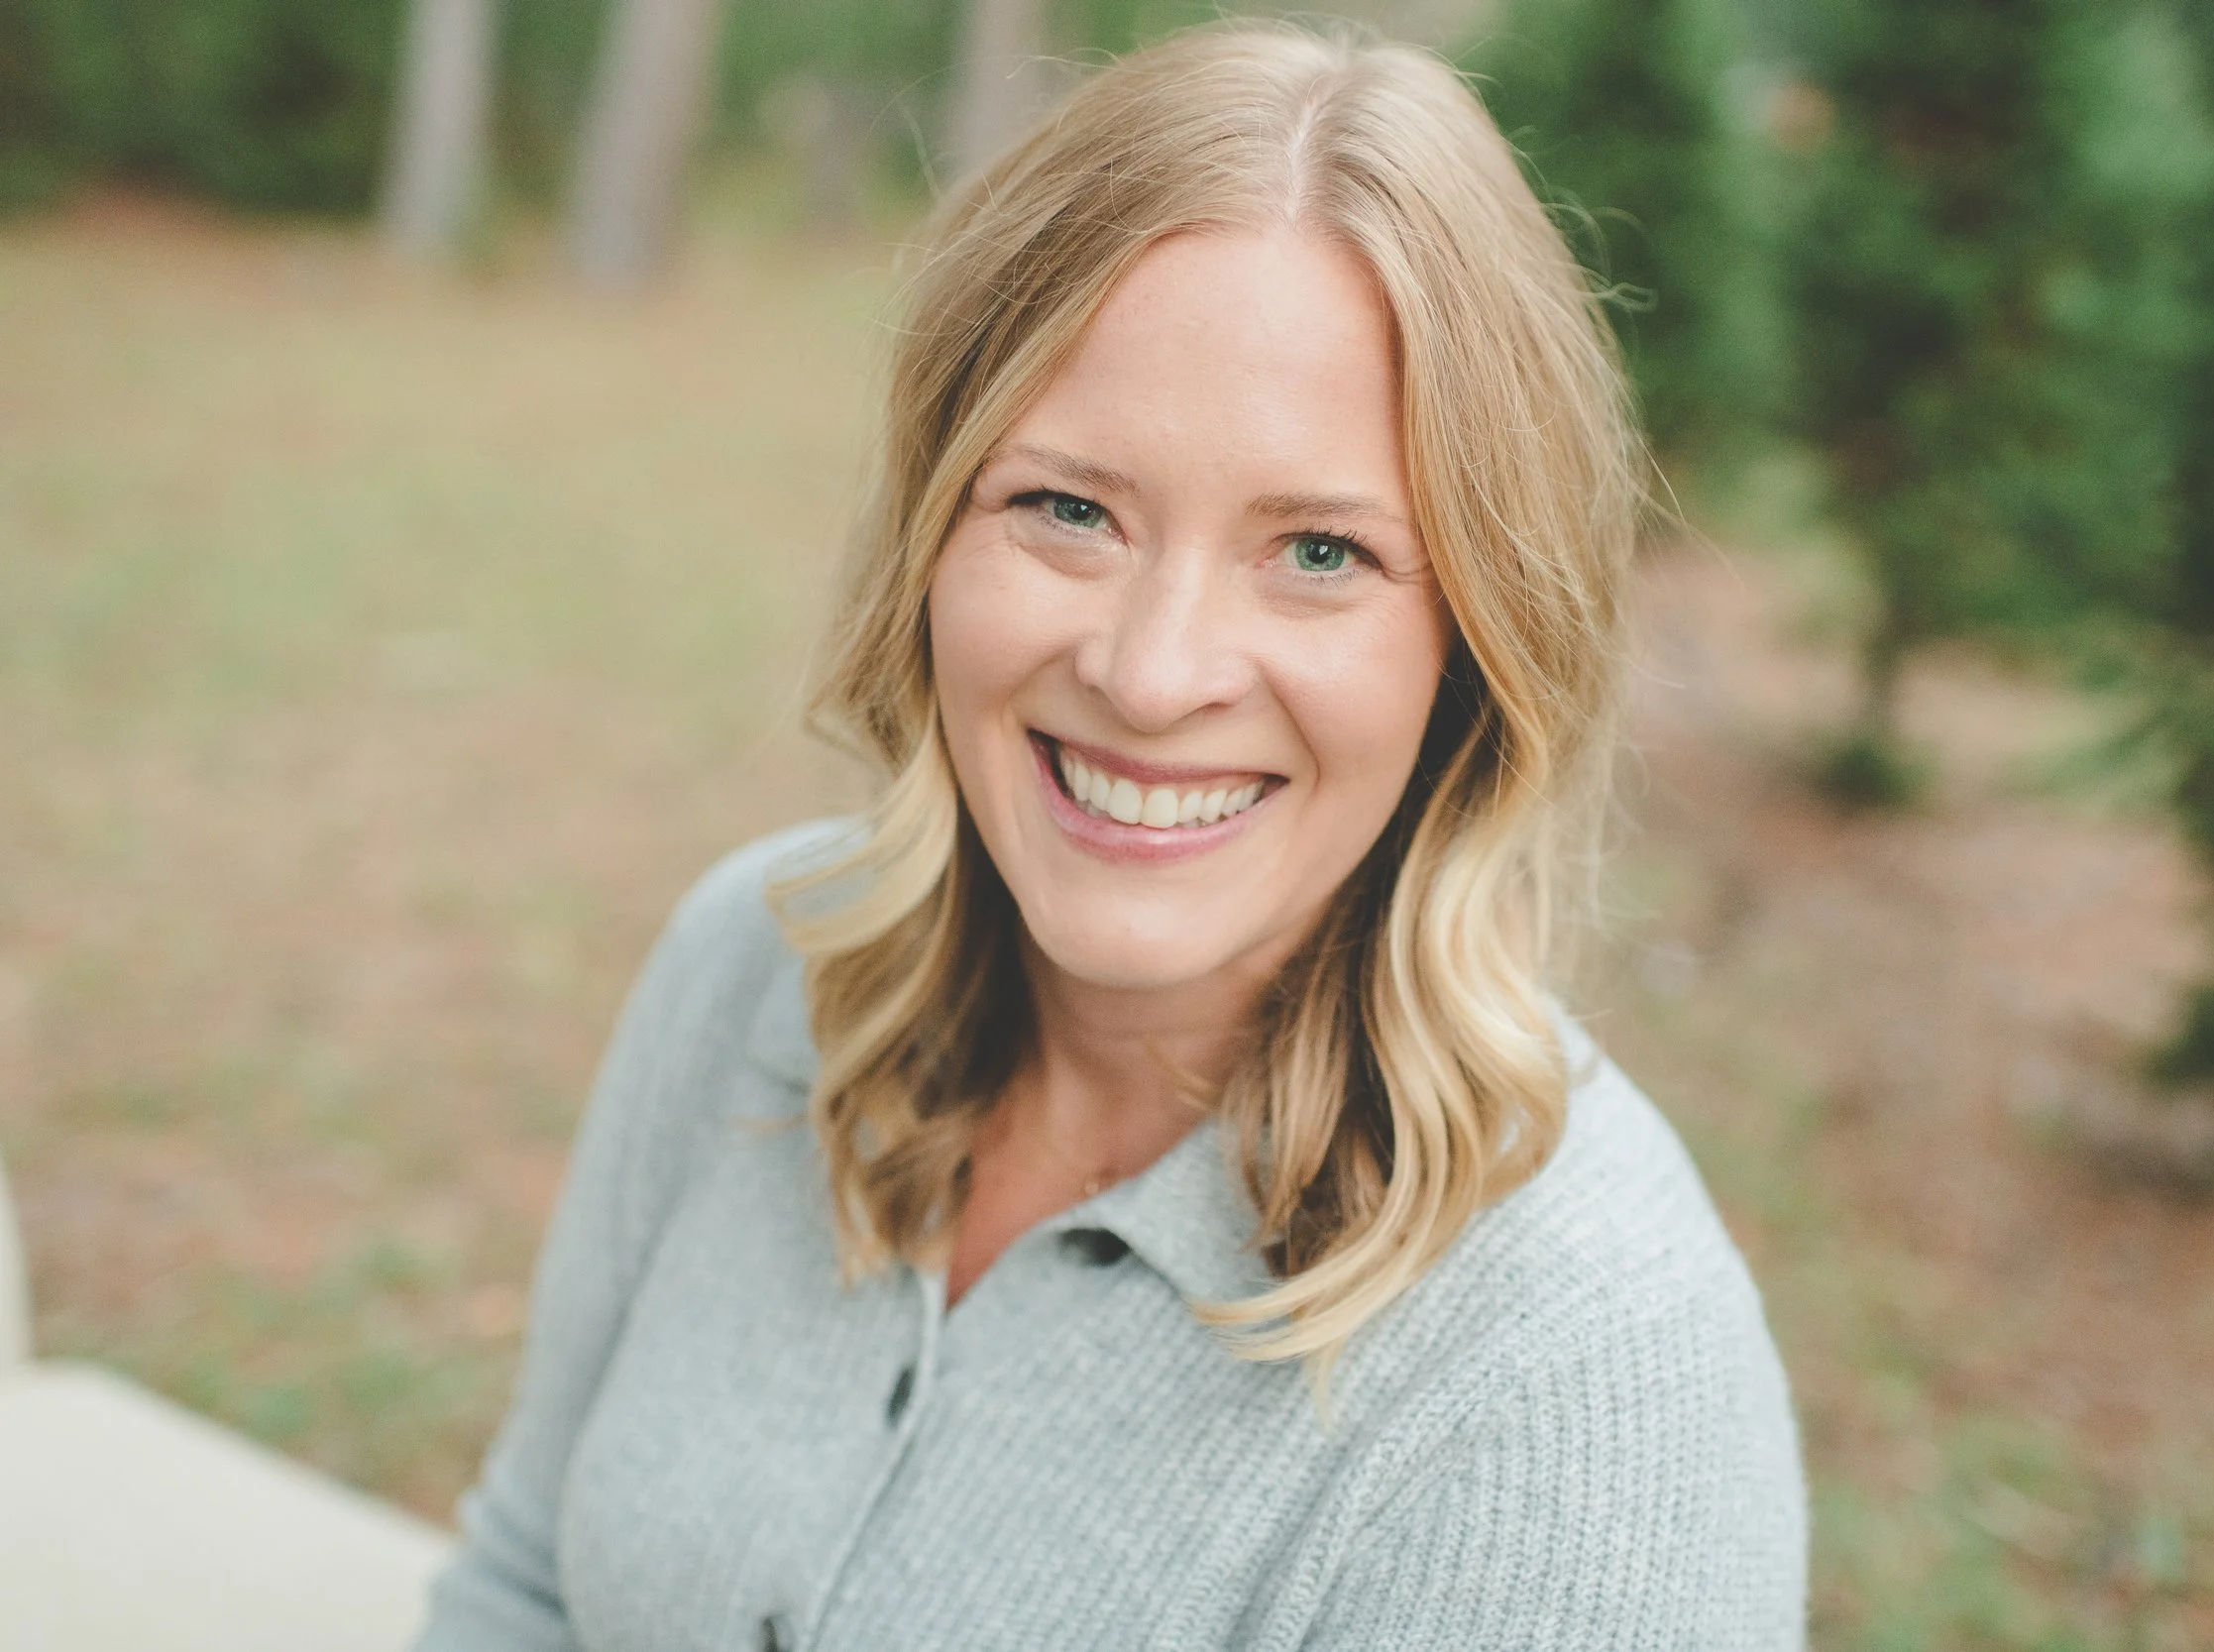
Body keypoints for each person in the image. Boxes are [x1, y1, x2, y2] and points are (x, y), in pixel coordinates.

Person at [411, 22, 1806, 1651]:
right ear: (933, 530)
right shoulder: (749, 968)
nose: (1152, 675)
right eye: (1069, 508)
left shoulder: (1580, 1386)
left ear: (1476, 647)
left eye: (1320, 552)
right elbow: (525, 1587)